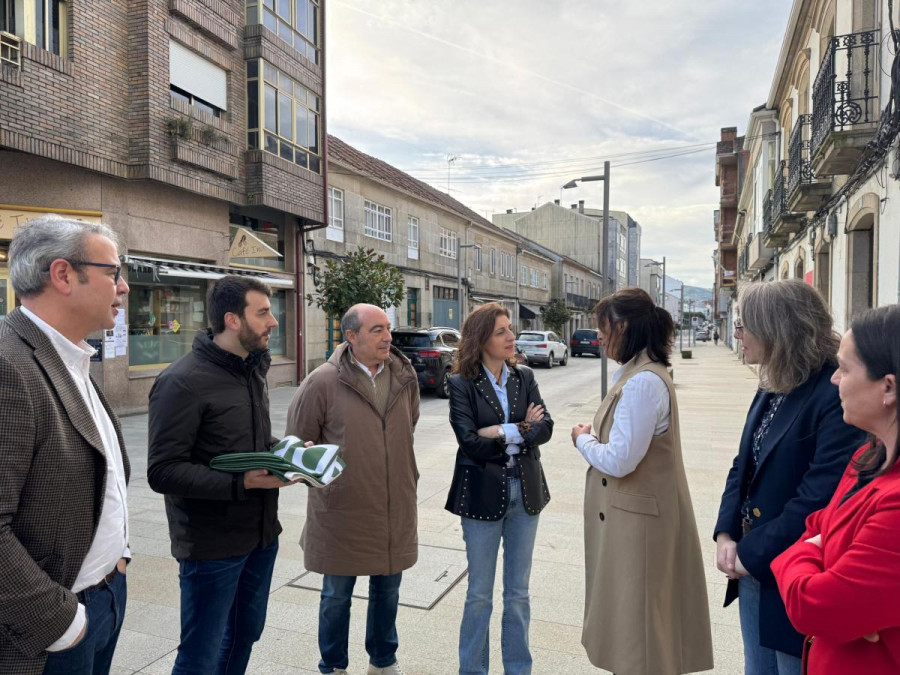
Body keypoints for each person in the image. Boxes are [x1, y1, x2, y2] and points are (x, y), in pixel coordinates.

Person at [148, 275, 299, 675]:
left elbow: (245, 440)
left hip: (262, 535)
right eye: (264, 312)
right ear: (233, 320)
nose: (274, 321)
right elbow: (163, 471)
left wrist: (287, 455)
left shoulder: (252, 369)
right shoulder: (181, 381)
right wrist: (241, 482)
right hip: (211, 546)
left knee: (244, 635)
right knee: (200, 653)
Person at [0, 215, 131, 675]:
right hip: (50, 631)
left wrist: (119, 556)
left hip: (105, 592)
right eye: (114, 272)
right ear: (63, 275)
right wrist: (61, 622)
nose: (124, 287)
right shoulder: (8, 365)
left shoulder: (69, 354)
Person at [714, 280, 866, 674]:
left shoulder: (832, 391)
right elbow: (743, 463)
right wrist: (726, 533)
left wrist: (750, 553)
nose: (737, 335)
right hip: (751, 568)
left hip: (795, 573)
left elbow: (818, 497)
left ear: (775, 329)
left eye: (744, 326)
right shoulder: (773, 380)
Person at [571, 287, 713, 675]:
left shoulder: (642, 383)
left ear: (625, 326)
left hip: (639, 528)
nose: (598, 336)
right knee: (635, 633)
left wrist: (582, 438)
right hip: (635, 521)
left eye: (602, 328)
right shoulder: (640, 375)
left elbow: (620, 459)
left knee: (639, 639)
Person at [286, 304, 420, 675]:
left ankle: (382, 661)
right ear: (351, 336)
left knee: (388, 591)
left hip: (394, 503)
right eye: (377, 330)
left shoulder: (403, 376)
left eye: (387, 329)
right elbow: (296, 444)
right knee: (336, 596)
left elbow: (410, 425)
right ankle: (333, 665)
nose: (388, 337)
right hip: (342, 509)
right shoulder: (322, 381)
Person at [771, 305, 900, 674]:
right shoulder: (868, 456)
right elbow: (817, 525)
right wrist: (820, 551)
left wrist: (811, 556)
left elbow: (815, 608)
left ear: (888, 387)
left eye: (844, 369)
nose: (833, 380)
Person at [445, 302, 553, 675]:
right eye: (501, 331)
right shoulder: (460, 383)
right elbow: (469, 442)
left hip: (525, 492)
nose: (511, 337)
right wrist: (522, 427)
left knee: (518, 594)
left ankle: (518, 669)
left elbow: (547, 427)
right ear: (481, 339)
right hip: (480, 493)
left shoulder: (523, 377)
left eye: (510, 329)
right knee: (479, 595)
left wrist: (502, 431)